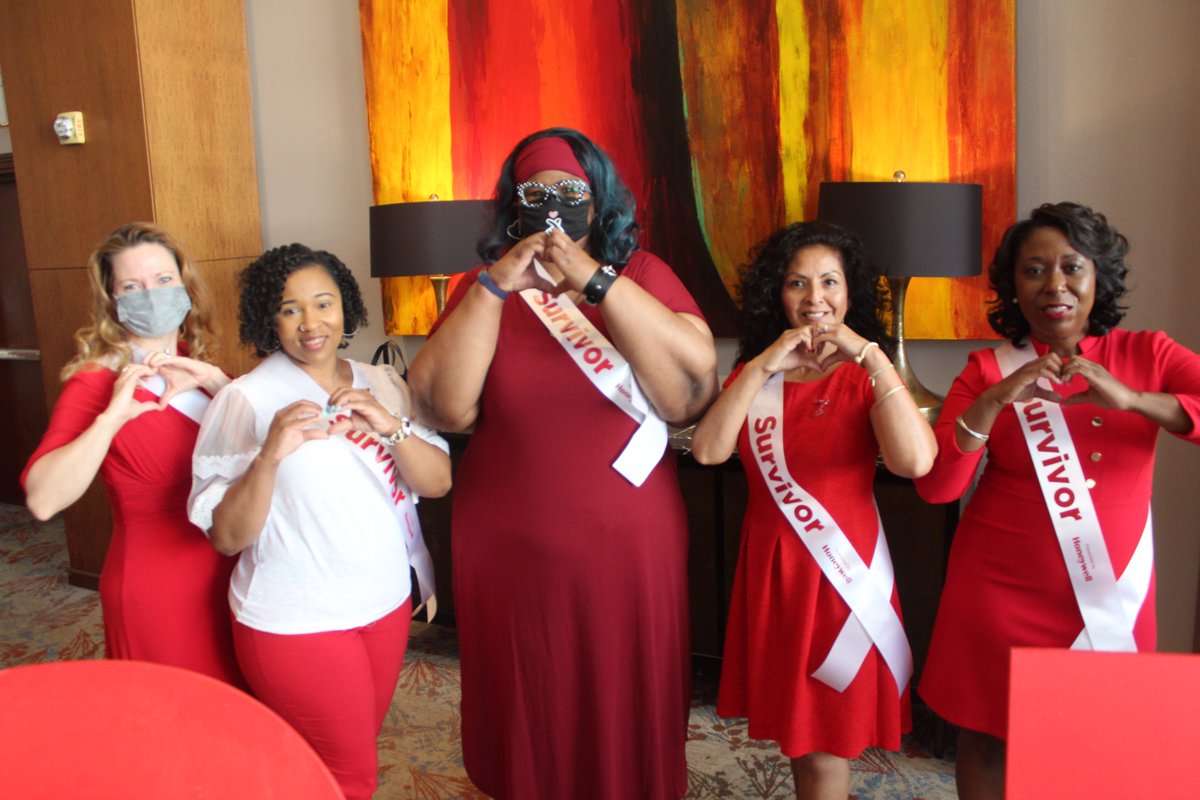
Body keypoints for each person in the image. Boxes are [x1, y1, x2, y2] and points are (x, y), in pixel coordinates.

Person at [406, 127, 719, 800]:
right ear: (512, 201)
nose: (553, 205)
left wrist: (594, 279)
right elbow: (444, 408)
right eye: (536, 191)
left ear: (599, 198)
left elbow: (687, 393)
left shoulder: (643, 275)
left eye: (570, 191)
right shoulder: (482, 285)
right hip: (507, 545)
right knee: (527, 694)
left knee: (625, 685)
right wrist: (494, 288)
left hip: (628, 544)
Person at [914, 202, 1200, 800]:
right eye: (1034, 270)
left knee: (1098, 746)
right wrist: (993, 401)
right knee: (989, 737)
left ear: (1099, 277)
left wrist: (1133, 399)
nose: (1055, 285)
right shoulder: (988, 367)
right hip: (997, 594)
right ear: (1013, 286)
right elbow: (938, 485)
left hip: (1107, 595)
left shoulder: (1147, 353)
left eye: (1072, 267)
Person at [187, 244, 451, 800]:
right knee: (351, 778)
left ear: (345, 308)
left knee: (334, 762)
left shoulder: (383, 382)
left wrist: (391, 429)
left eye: (324, 304)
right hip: (297, 621)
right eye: (290, 309)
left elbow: (436, 483)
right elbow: (227, 536)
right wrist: (269, 455)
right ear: (269, 319)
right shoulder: (247, 399)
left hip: (383, 605)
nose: (312, 323)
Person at [691, 221, 936, 799]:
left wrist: (872, 358)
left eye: (830, 282)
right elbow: (707, 451)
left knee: (825, 743)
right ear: (777, 294)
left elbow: (915, 462)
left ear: (850, 293)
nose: (815, 298)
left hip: (839, 579)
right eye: (797, 284)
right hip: (773, 575)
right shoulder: (758, 376)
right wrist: (761, 365)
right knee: (800, 742)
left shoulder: (863, 379)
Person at [22, 222, 242, 686]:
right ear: (113, 300)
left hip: (233, 568)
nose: (153, 294)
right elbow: (43, 499)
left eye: (164, 281)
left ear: (185, 286)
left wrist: (218, 385)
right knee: (177, 728)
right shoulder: (97, 381)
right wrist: (111, 419)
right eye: (132, 286)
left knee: (240, 723)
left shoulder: (198, 361)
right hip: (159, 586)